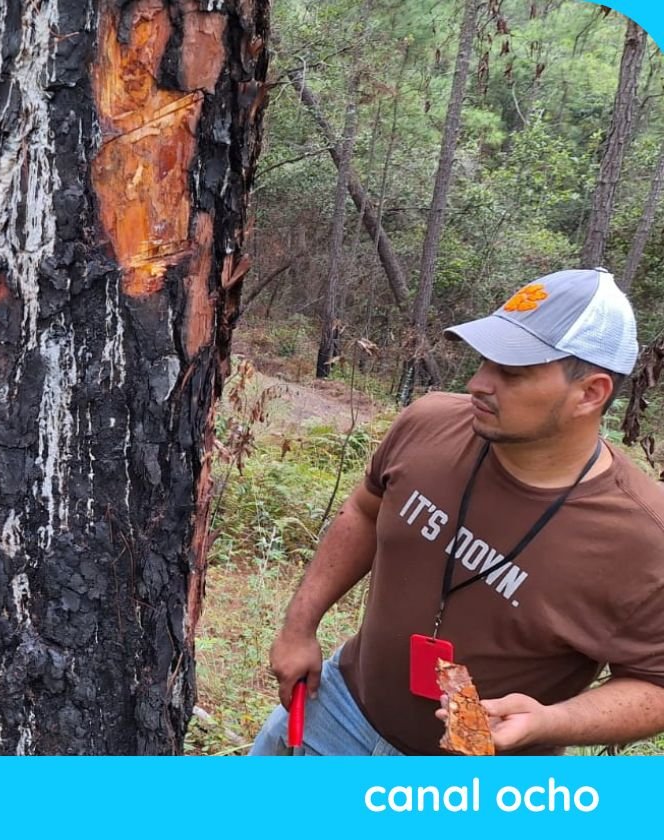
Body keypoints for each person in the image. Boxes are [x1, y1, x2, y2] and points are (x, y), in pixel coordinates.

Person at [252, 267, 664, 756]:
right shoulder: (429, 424)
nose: (477, 384)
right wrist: (299, 626)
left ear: (590, 393)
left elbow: (655, 685)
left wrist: (551, 721)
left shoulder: (643, 537)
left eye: (511, 373)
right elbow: (364, 511)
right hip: (336, 710)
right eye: (485, 361)